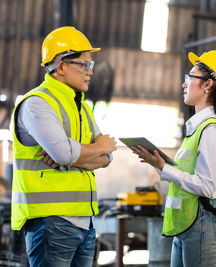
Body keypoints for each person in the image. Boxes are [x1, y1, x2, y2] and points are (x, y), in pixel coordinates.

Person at [11, 26, 117, 267]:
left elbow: (107, 158)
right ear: (60, 67)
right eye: (84, 65)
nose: (90, 72)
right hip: (51, 222)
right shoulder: (37, 103)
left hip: (85, 222)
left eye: (90, 65)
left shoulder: (83, 107)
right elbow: (64, 152)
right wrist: (92, 149)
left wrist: (77, 154)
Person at [132, 50, 216, 266]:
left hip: (202, 224)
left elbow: (207, 186)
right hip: (189, 224)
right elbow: (185, 175)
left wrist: (164, 167)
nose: (184, 85)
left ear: (207, 85)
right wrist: (158, 164)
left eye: (189, 78)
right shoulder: (196, 129)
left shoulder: (210, 130)